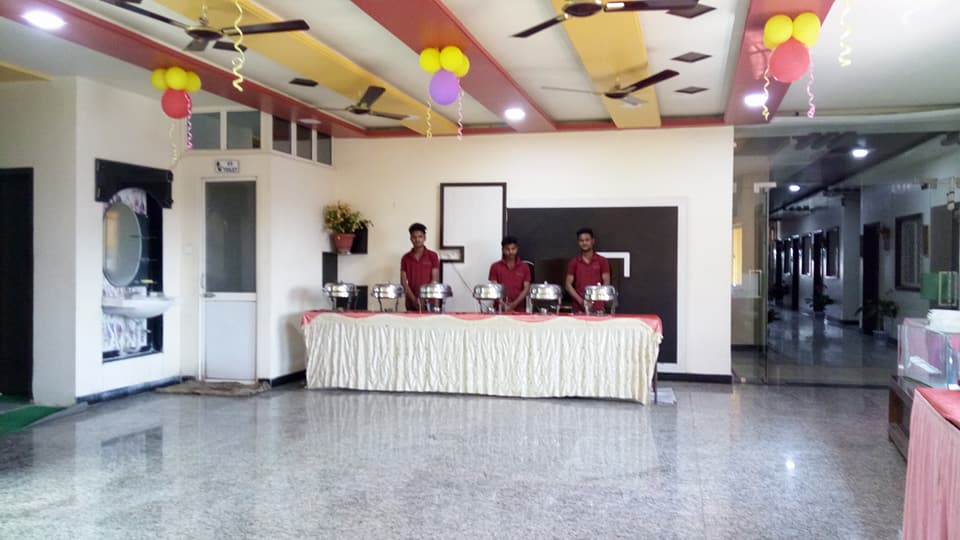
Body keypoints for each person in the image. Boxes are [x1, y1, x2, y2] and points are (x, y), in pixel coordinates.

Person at [565, 227, 610, 313]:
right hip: (578, 307)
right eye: (581, 240)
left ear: (593, 241)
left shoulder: (602, 261)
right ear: (578, 242)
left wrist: (596, 299)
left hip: (598, 307)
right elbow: (568, 285)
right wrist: (581, 301)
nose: (584, 243)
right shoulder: (574, 262)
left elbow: (606, 283)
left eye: (587, 240)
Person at [400, 222, 440, 311]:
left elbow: (434, 280)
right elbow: (403, 282)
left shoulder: (433, 256)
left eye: (420, 236)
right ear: (410, 238)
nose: (417, 239)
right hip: (411, 302)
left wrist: (423, 299)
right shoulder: (405, 258)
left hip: (429, 301)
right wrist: (414, 300)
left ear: (425, 238)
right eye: (414, 237)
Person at [487, 235, 531, 312]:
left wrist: (514, 304)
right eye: (507, 249)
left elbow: (526, 289)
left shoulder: (524, 267)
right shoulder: (495, 267)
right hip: (499, 309)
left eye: (513, 249)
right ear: (502, 250)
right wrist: (504, 305)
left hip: (519, 310)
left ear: (517, 249)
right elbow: (494, 289)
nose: (510, 252)